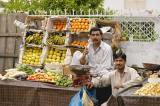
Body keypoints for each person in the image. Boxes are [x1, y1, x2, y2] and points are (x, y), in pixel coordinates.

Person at [80, 27, 113, 105]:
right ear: (90, 36)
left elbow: (105, 68)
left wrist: (93, 81)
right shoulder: (89, 47)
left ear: (101, 36)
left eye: (97, 35)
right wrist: (83, 55)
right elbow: (82, 62)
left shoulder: (107, 48)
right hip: (92, 77)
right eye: (93, 35)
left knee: (102, 102)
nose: (95, 37)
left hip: (103, 79)